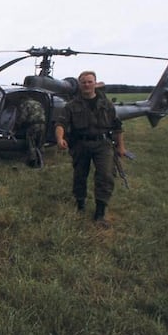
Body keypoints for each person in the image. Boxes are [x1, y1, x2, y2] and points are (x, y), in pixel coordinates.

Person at [54, 71, 126, 226]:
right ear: (79, 85)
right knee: (80, 175)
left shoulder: (106, 105)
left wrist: (121, 146)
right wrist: (60, 138)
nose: (86, 85)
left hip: (103, 144)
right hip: (81, 144)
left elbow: (118, 127)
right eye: (83, 82)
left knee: (106, 175)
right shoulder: (72, 106)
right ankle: (80, 202)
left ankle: (100, 212)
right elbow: (61, 123)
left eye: (89, 82)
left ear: (95, 83)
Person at [15, 97, 46, 168]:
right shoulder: (39, 103)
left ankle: (33, 161)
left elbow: (23, 117)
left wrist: (17, 125)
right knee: (40, 144)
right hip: (42, 124)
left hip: (33, 125)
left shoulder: (25, 104)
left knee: (31, 143)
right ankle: (41, 161)